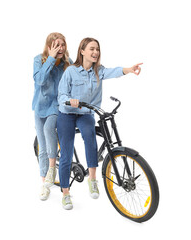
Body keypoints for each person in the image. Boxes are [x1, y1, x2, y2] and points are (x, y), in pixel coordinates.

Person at [57, 37, 142, 210]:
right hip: (67, 114)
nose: (95, 52)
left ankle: (93, 179)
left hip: (86, 113)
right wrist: (69, 100)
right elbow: (61, 95)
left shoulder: (98, 71)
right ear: (82, 51)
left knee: (90, 139)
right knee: (66, 152)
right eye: (91, 49)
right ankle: (65, 193)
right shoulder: (71, 71)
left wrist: (129, 70)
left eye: (97, 49)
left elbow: (114, 72)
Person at [32, 32, 72, 200]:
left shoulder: (66, 65)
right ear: (49, 47)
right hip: (39, 107)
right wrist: (50, 58)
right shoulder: (38, 59)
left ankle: (52, 168)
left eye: (62, 45)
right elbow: (39, 80)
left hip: (57, 107)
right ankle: (45, 184)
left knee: (50, 128)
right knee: (42, 147)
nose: (60, 48)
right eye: (56, 45)